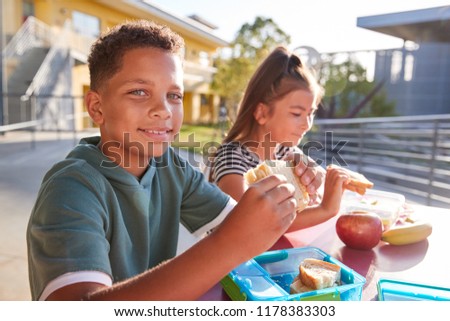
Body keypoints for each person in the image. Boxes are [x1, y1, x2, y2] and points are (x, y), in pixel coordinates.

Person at [26, 20, 301, 301]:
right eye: (139, 92)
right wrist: (227, 244)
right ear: (97, 108)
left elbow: (246, 224)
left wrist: (291, 190)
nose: (163, 110)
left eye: (174, 95)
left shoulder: (171, 168)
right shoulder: (71, 189)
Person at [210, 46, 351, 230]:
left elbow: (313, 185)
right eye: (296, 114)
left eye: (311, 113)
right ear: (262, 113)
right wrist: (325, 209)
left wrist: (316, 179)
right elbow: (251, 225)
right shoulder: (231, 159)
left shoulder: (284, 151)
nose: (307, 124)